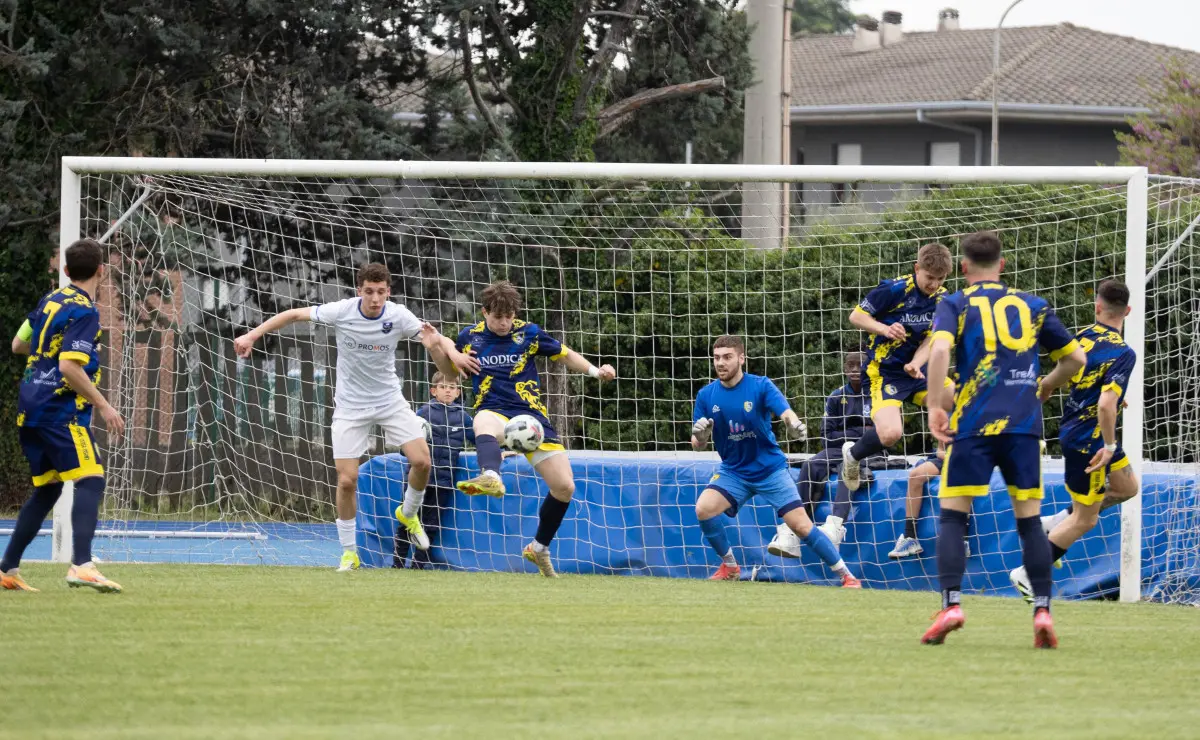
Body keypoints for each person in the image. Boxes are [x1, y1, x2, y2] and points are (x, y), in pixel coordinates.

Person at [234, 262, 477, 572]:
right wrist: (252, 335)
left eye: (381, 292)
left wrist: (452, 354)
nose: (375, 299)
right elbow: (293, 314)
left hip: (389, 400)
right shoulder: (342, 311)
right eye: (369, 292)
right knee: (347, 480)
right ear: (359, 291)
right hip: (350, 407)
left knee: (422, 461)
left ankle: (409, 512)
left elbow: (442, 352)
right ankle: (349, 553)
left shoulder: (399, 316)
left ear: (388, 292)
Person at [921, 230, 1085, 648]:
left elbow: (939, 354)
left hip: (974, 423)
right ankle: (1043, 610)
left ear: (962, 268)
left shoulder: (954, 302)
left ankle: (952, 605)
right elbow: (1076, 358)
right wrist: (1046, 385)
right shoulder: (1032, 305)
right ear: (1004, 265)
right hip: (1023, 425)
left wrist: (936, 407)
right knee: (1029, 522)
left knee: (953, 516)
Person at [450, 281, 615, 578]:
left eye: (508, 316)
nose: (503, 323)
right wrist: (449, 354)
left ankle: (538, 547)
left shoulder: (529, 332)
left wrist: (594, 370)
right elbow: (451, 370)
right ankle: (491, 475)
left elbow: (563, 353)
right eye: (497, 316)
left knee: (565, 487)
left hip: (531, 419)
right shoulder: (469, 338)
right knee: (481, 422)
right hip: (495, 411)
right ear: (484, 312)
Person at [0, 238, 127, 593]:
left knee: (48, 490)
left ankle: (7, 568)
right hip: (60, 412)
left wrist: (49, 349)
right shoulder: (85, 312)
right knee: (91, 477)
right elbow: (70, 366)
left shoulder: (50, 301)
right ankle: (82, 565)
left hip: (30, 407)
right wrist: (104, 405)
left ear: (67, 271)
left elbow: (18, 344)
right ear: (101, 271)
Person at [690, 335, 861, 588]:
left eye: (727, 357)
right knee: (703, 509)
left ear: (741, 358)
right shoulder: (706, 395)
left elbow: (786, 413)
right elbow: (697, 444)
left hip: (770, 470)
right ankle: (730, 566)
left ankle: (847, 576)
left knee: (802, 526)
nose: (720, 363)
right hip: (734, 472)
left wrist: (793, 425)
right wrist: (700, 436)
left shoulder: (760, 386)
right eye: (716, 358)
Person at [1010, 280, 1139, 600]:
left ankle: (1052, 521)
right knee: (1086, 519)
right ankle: (1027, 572)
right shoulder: (1124, 352)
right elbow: (1105, 405)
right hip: (1091, 442)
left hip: (1083, 432)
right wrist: (1108, 446)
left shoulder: (1079, 339)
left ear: (1097, 307)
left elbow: (1072, 378)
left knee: (1127, 487)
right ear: (1129, 311)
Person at [840, 243, 955, 495]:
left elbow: (930, 339)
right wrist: (885, 329)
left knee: (954, 395)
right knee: (891, 434)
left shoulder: (944, 300)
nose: (934, 284)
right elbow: (856, 316)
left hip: (915, 372)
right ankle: (852, 455)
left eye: (940, 279)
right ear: (917, 268)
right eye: (929, 277)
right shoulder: (893, 290)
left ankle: (944, 453)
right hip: (884, 373)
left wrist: (916, 362)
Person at [767, 351, 871, 557]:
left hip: (867, 451)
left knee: (847, 467)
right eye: (850, 365)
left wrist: (850, 434)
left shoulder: (876, 395)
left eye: (859, 365)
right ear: (844, 368)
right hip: (834, 449)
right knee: (809, 465)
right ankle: (792, 530)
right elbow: (826, 435)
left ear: (868, 368)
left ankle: (835, 527)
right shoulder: (836, 397)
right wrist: (858, 431)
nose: (854, 370)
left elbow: (878, 433)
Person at [393, 371, 475, 569]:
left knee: (431, 524)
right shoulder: (422, 413)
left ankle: (418, 565)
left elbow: (478, 440)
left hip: (444, 481)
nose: (447, 391)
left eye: (452, 387)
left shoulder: (463, 417)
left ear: (458, 392)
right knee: (408, 520)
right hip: (418, 480)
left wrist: (500, 452)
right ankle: (397, 563)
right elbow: (406, 447)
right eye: (443, 387)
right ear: (433, 390)